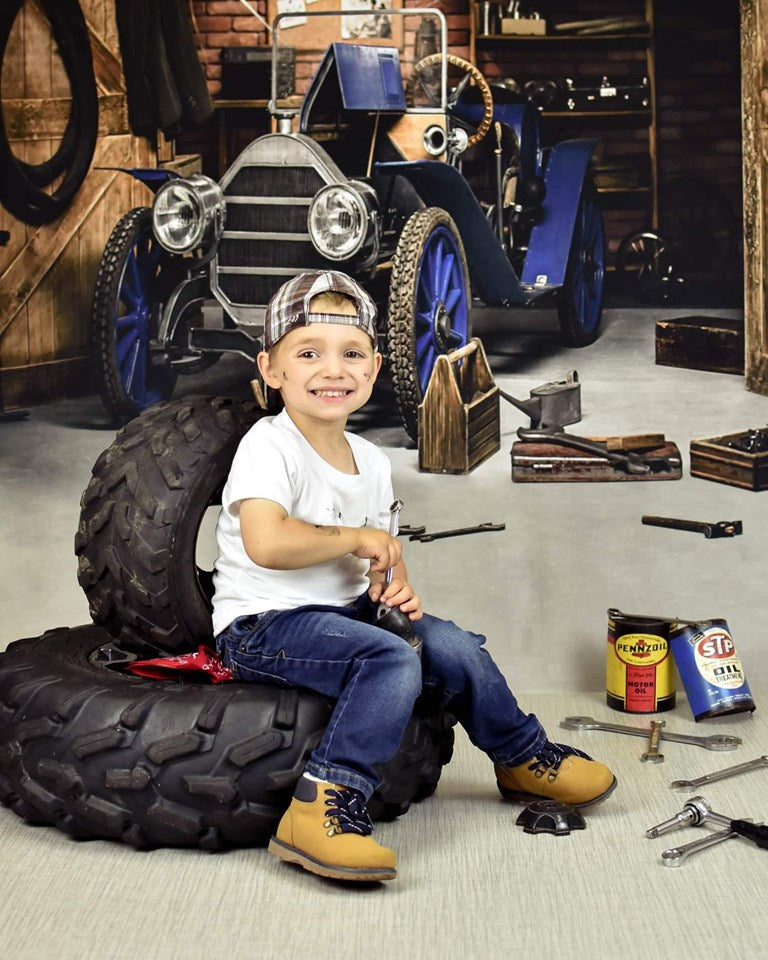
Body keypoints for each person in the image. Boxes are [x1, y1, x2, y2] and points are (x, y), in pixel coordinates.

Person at [212, 270, 617, 883]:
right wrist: (359, 540)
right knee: (390, 659)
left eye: (351, 354)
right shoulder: (270, 445)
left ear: (374, 370)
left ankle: (522, 757)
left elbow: (380, 552)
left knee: (452, 647)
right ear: (271, 370)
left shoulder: (371, 461)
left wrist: (394, 581)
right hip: (265, 625)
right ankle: (323, 805)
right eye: (308, 353)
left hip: (345, 615)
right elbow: (266, 542)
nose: (333, 370)